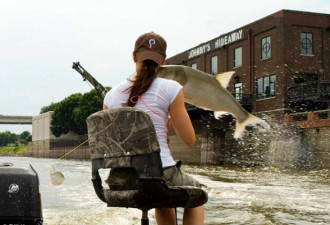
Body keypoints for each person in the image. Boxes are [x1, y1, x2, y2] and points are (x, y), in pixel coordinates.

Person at [103, 32, 204, 225]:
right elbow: (189, 139)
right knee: (198, 195)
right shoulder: (171, 88)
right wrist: (172, 117)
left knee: (162, 199)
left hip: (120, 180)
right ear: (163, 61)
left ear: (134, 57)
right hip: (159, 175)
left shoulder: (111, 96)